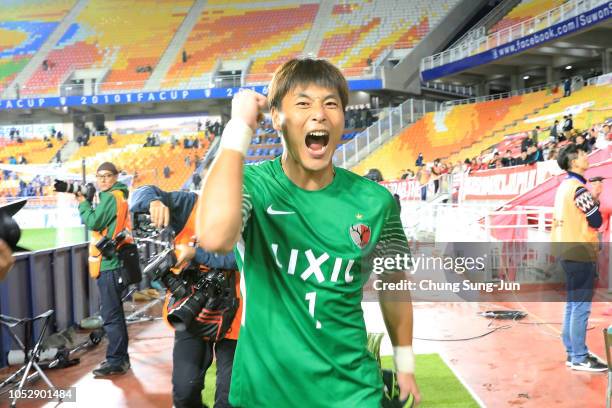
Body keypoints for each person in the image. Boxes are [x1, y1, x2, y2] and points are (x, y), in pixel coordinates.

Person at [196, 58, 420, 407]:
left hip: (352, 392)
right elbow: (214, 237)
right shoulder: (254, 187)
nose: (319, 114)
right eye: (303, 103)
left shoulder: (376, 203)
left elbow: (394, 284)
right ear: (275, 118)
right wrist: (239, 126)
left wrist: (405, 364)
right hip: (263, 393)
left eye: (331, 103)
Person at [130, 185, 241, 408]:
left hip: (235, 314)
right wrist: (153, 202)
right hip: (191, 311)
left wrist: (194, 253)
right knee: (184, 391)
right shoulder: (189, 204)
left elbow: (240, 258)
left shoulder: (248, 211)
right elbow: (141, 193)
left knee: (229, 399)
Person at [69, 162, 132, 376]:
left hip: (110, 265)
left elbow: (94, 222)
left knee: (111, 315)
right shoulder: (117, 195)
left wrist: (82, 203)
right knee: (115, 314)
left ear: (116, 176)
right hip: (115, 263)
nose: (103, 180)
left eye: (107, 176)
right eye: (100, 176)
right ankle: (121, 359)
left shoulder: (111, 196)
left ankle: (116, 361)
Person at [552, 144, 607, 372]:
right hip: (580, 253)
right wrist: (594, 197)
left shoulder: (565, 186)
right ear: (574, 162)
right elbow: (595, 221)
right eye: (583, 154)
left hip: (566, 250)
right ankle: (579, 357)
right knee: (581, 306)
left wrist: (591, 195)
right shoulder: (578, 189)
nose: (587, 156)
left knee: (573, 305)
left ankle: (572, 352)